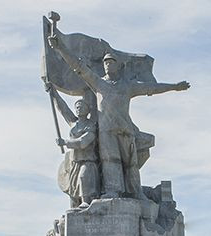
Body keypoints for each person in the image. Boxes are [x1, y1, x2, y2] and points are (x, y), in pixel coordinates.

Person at [48, 34, 190, 200]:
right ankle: (112, 191)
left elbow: (151, 88)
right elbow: (78, 67)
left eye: (111, 62)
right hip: (106, 131)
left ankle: (135, 192)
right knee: (110, 160)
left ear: (117, 66)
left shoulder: (127, 86)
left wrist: (174, 87)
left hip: (124, 129)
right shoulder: (99, 83)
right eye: (106, 62)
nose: (107, 65)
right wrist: (60, 48)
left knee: (131, 163)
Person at [50, 85, 100, 208]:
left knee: (84, 178)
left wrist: (65, 142)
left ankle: (86, 201)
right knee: (73, 189)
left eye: (81, 107)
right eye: (77, 107)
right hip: (75, 162)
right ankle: (76, 207)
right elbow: (63, 108)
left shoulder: (90, 125)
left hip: (88, 161)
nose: (78, 108)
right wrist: (53, 93)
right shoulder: (73, 123)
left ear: (87, 110)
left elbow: (83, 142)